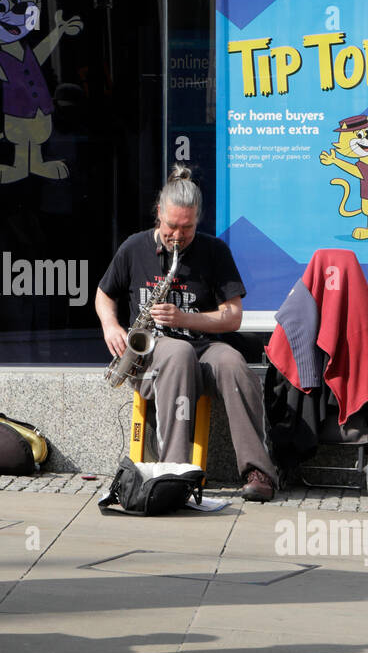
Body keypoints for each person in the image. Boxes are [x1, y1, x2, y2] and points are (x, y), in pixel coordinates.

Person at [95, 166, 279, 501]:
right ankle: (173, 472)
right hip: (153, 357)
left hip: (203, 349)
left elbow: (233, 316)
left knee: (233, 362)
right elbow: (104, 294)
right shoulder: (134, 248)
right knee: (177, 353)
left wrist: (186, 319)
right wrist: (112, 325)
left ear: (198, 220)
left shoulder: (214, 251)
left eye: (188, 228)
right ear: (158, 215)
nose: (178, 236)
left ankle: (258, 471)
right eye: (172, 227)